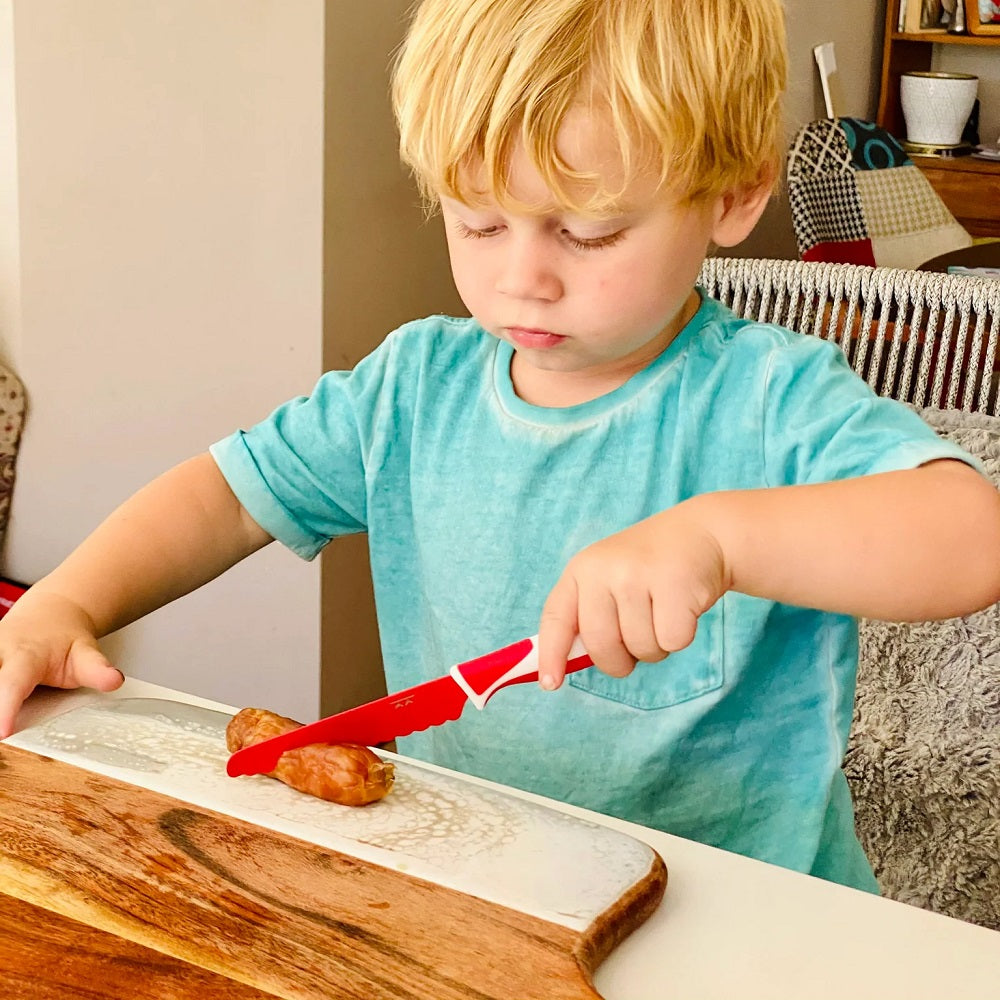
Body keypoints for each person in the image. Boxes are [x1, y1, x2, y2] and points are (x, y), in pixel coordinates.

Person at [1, 0, 999, 893]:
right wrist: (64, 605)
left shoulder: (769, 398)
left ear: (733, 196)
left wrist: (721, 539)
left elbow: (968, 536)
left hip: (746, 912)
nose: (523, 279)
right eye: (479, 223)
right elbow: (226, 493)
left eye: (589, 233)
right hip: (485, 881)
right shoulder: (411, 388)